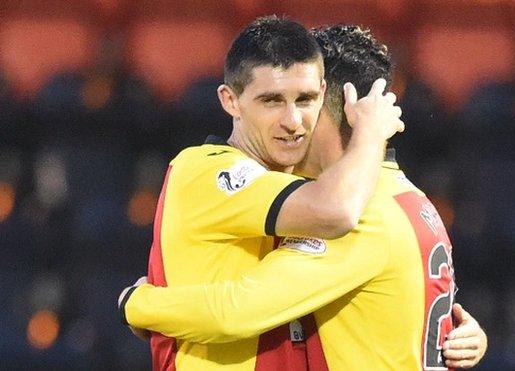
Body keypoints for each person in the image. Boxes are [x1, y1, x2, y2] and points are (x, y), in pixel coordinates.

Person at [120, 25, 486, 370]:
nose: (294, 121)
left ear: (333, 101)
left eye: (306, 99)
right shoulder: (406, 198)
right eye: (272, 100)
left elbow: (236, 311)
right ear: (231, 101)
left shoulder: (360, 210)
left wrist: (138, 304)